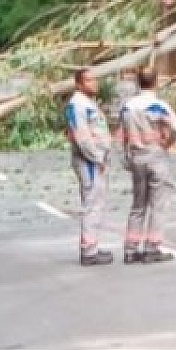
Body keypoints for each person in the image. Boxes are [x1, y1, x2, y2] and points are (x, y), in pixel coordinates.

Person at [119, 68, 176, 264]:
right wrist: (169, 142)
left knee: (138, 205)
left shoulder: (127, 107)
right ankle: (152, 246)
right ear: (155, 82)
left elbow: (122, 134)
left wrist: (126, 157)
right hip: (155, 157)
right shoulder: (157, 105)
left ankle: (131, 248)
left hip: (136, 157)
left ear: (138, 83)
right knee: (158, 203)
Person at [64, 68, 114, 266]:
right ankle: (89, 252)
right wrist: (98, 158)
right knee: (91, 205)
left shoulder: (87, 104)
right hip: (89, 161)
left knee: (96, 204)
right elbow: (82, 138)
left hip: (95, 160)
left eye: (95, 80)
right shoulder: (77, 106)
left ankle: (92, 245)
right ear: (79, 84)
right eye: (89, 81)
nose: (94, 84)